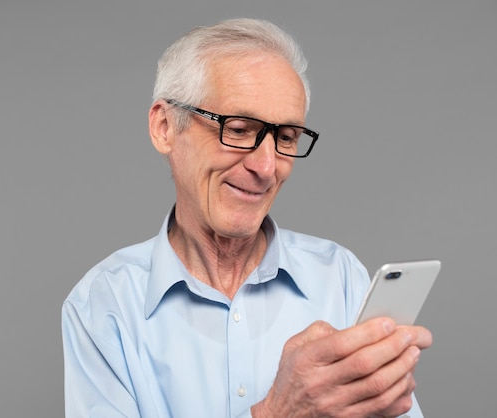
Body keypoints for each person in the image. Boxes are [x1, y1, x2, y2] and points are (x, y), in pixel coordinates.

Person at [62, 18, 432, 418]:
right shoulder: (102, 306)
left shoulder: (340, 278)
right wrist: (278, 413)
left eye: (286, 137)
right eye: (238, 129)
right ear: (165, 127)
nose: (267, 166)